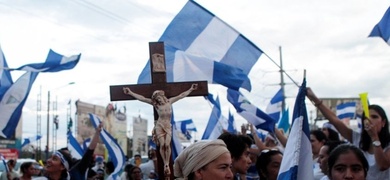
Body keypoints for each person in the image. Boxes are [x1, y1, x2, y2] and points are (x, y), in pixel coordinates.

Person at [307, 88, 390, 180]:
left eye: (374, 117)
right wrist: (314, 98)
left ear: (383, 122)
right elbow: (335, 120)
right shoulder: (358, 138)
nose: (369, 120)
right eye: (366, 117)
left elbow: (383, 165)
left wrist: (374, 137)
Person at [123, 83, 198, 175]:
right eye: (157, 99)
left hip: (167, 126)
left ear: (162, 97)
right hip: (159, 125)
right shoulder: (156, 105)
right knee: (162, 144)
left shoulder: (169, 102)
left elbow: (181, 96)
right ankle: (166, 164)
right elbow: (142, 98)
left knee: (167, 144)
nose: (158, 100)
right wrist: (130, 92)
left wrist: (191, 89)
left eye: (159, 97)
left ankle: (167, 162)